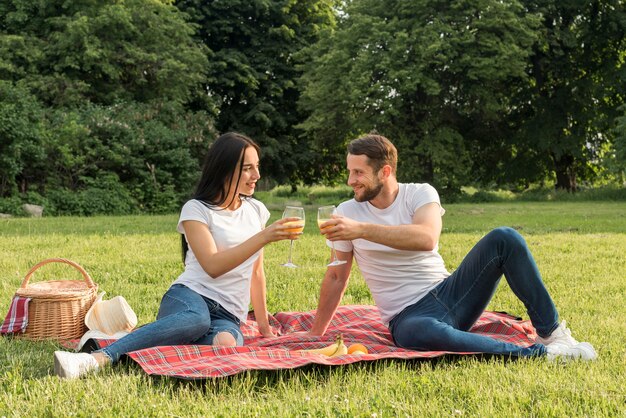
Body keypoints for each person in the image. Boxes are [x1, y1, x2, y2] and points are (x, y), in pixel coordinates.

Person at [311, 134, 597, 361]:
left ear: (385, 171)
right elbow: (337, 276)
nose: (351, 181)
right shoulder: (346, 211)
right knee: (414, 333)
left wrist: (361, 230)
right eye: (350, 172)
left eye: (358, 173)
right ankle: (539, 355)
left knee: (505, 238)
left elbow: (426, 238)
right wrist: (316, 333)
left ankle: (552, 334)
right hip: (409, 316)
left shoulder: (420, 193)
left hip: (452, 293)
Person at [54, 132, 302, 378]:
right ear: (225, 170)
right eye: (248, 168)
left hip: (228, 314)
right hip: (190, 297)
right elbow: (212, 265)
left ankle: (156, 334)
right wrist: (264, 236)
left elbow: (256, 272)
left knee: (226, 346)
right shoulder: (196, 209)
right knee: (196, 319)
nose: (256, 176)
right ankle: (98, 358)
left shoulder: (256, 210)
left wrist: (264, 327)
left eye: (257, 167)